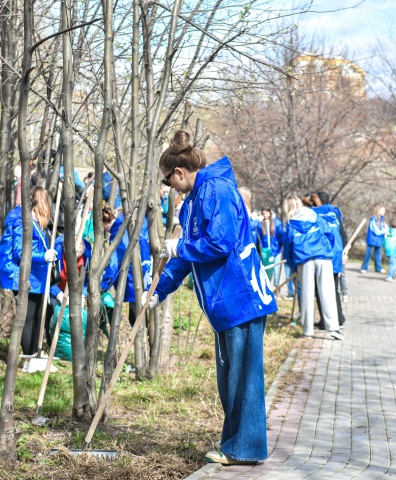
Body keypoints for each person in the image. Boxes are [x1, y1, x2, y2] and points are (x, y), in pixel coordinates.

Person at [145, 130, 277, 466]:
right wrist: (158, 291)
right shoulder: (193, 200)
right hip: (224, 304)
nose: (168, 187)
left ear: (179, 172)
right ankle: (235, 445)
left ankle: (244, 449)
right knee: (230, 379)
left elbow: (220, 243)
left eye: (167, 179)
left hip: (240, 299)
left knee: (244, 378)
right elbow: (190, 259)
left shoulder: (216, 190)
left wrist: (180, 246)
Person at [0, 186, 58, 372]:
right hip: (23, 275)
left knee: (39, 315)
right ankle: (30, 359)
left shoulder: (33, 221)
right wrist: (44, 256)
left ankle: (36, 354)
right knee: (28, 317)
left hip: (37, 275)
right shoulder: (22, 221)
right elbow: (20, 251)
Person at [281, 195, 343, 340]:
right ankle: (334, 328)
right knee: (327, 292)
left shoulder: (290, 224)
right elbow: (329, 232)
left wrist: (293, 265)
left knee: (307, 294)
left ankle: (307, 331)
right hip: (323, 256)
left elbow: (287, 248)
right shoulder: (314, 215)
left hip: (304, 259)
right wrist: (328, 249)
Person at [310, 194, 346, 329]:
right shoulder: (334, 214)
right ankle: (339, 318)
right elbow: (343, 234)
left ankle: (326, 321)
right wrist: (344, 252)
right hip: (337, 254)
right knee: (334, 289)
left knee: (320, 290)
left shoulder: (314, 215)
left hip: (324, 255)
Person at [317, 191, 349, 303]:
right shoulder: (336, 212)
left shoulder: (319, 214)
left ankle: (343, 295)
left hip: (329, 253)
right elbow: (343, 232)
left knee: (330, 283)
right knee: (338, 279)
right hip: (338, 250)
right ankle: (343, 296)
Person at [361, 206, 388, 274]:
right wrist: (382, 232)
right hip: (372, 239)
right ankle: (364, 267)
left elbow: (386, 227)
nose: (384, 212)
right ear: (378, 211)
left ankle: (378, 268)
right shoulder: (373, 219)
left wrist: (386, 231)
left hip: (379, 240)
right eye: (382, 211)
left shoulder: (382, 220)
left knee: (378, 255)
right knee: (368, 254)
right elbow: (375, 230)